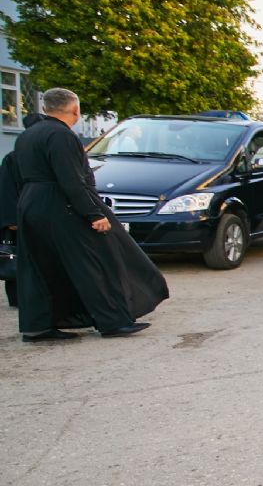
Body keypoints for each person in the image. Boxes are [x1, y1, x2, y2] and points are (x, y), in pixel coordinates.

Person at [13, 88, 168, 340]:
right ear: (75, 110)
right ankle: (112, 321)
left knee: (40, 265)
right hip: (60, 203)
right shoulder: (62, 135)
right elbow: (71, 179)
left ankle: (37, 326)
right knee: (91, 261)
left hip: (31, 201)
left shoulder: (28, 135)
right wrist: (93, 214)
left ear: (45, 108)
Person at [1, 112, 45, 308]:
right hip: (20, 215)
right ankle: (17, 297)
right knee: (17, 255)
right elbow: (6, 189)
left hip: (34, 213)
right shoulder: (13, 159)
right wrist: (11, 220)